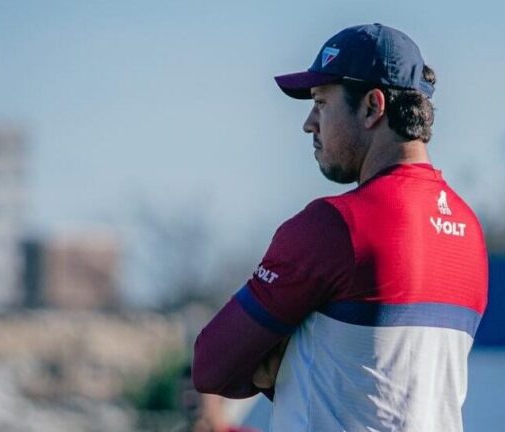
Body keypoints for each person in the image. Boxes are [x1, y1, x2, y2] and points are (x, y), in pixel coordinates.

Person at [193, 23, 488, 431]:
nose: (309, 123)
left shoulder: (334, 225)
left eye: (321, 102)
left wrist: (281, 358)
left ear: (372, 107)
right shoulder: (469, 230)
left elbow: (211, 365)